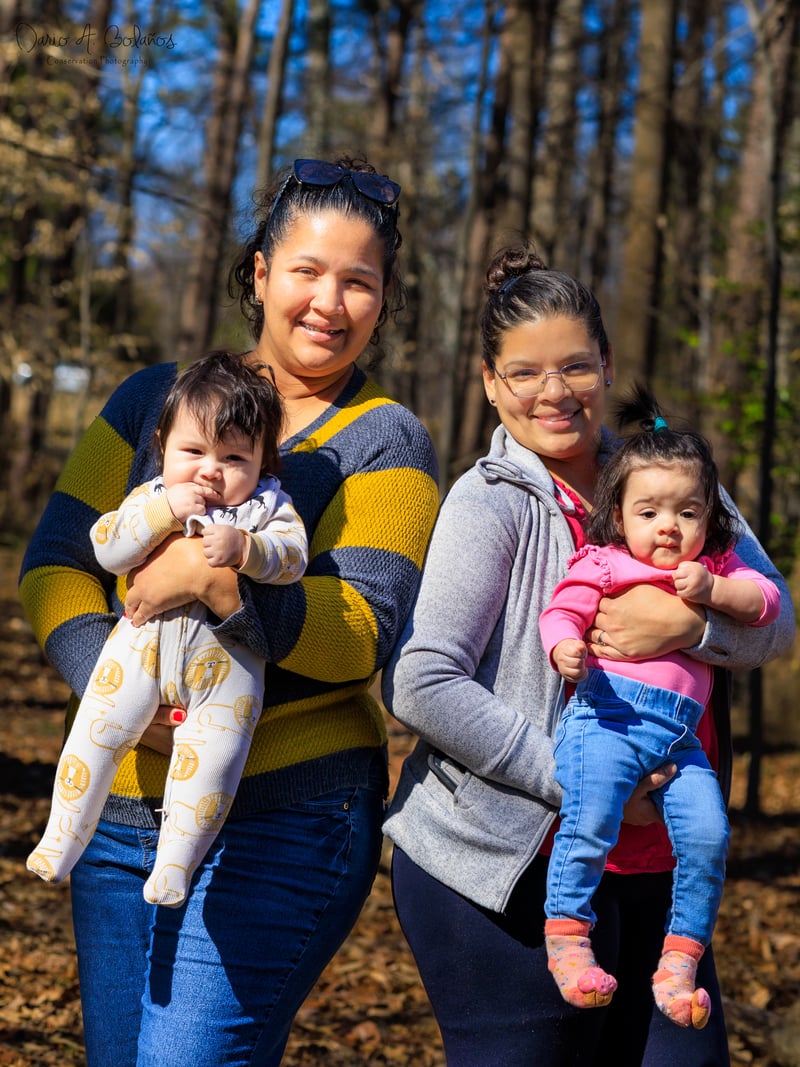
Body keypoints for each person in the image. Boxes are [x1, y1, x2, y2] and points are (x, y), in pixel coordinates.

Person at [19, 156, 440, 1067]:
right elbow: (55, 564)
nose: (329, 302)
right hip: (122, 808)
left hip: (286, 818)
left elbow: (361, 633)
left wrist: (219, 589)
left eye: (358, 281)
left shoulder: (384, 440)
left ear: (383, 297)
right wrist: (129, 683)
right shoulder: (149, 402)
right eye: (306, 271)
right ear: (259, 273)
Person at [382, 245, 795, 1066]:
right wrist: (579, 779)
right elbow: (422, 680)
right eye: (524, 373)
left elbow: (778, 620)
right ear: (492, 382)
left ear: (605, 364)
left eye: (575, 365)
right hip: (504, 865)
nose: (553, 392)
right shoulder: (489, 501)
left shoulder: (666, 475)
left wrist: (687, 628)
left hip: (657, 862)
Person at [27, 351, 309, 908]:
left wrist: (248, 551)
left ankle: (175, 865)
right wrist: (161, 513)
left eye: (234, 458)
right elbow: (107, 545)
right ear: (162, 445)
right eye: (193, 451)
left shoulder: (268, 509)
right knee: (96, 734)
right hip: (139, 647)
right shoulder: (151, 496)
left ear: (262, 464)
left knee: (213, 763)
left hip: (225, 670)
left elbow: (294, 559)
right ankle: (62, 834)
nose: (210, 470)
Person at [538, 382, 780, 1029]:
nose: (668, 525)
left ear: (710, 517)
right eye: (649, 512)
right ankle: (567, 936)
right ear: (619, 516)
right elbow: (560, 609)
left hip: (679, 741)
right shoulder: (606, 562)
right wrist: (564, 645)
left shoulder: (716, 566)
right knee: (588, 821)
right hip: (608, 720)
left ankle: (680, 959)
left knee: (706, 834)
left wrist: (716, 590)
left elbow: (769, 604)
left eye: (687, 511)